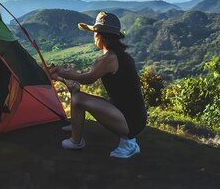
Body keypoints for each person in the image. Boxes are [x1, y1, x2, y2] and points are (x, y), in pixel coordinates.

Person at [49, 11, 147, 158]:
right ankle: (76, 125)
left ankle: (78, 142)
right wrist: (62, 77)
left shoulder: (109, 59)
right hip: (134, 117)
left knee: (79, 99)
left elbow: (87, 78)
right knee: (77, 93)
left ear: (99, 36)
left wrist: (60, 72)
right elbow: (80, 80)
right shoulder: (120, 55)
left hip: (129, 122)